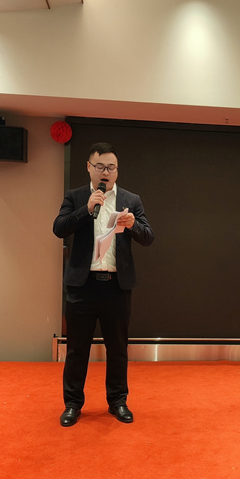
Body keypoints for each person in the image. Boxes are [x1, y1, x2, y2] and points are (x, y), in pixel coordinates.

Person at [53, 142, 154, 427]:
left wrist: (133, 225)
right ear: (89, 167)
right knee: (77, 349)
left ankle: (118, 401)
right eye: (100, 167)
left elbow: (148, 237)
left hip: (115, 287)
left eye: (111, 167)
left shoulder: (131, 199)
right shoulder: (75, 196)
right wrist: (86, 209)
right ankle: (72, 404)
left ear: (117, 171)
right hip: (81, 287)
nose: (105, 172)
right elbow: (59, 228)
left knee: (118, 348)